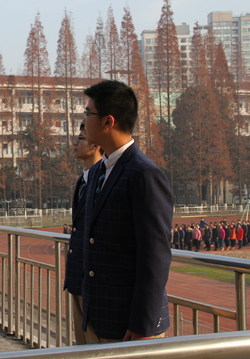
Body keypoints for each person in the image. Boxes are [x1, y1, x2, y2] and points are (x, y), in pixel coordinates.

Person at [81, 80, 172, 342]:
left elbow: (155, 256)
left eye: (88, 114)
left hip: (131, 326)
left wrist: (143, 323)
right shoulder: (98, 171)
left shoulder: (144, 174)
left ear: (108, 121)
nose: (84, 121)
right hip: (99, 317)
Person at [64, 124, 103, 345]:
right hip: (77, 275)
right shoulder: (83, 179)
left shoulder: (102, 180)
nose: (75, 143)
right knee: (82, 342)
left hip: (92, 278)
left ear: (96, 144)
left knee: (93, 342)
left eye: (80, 138)